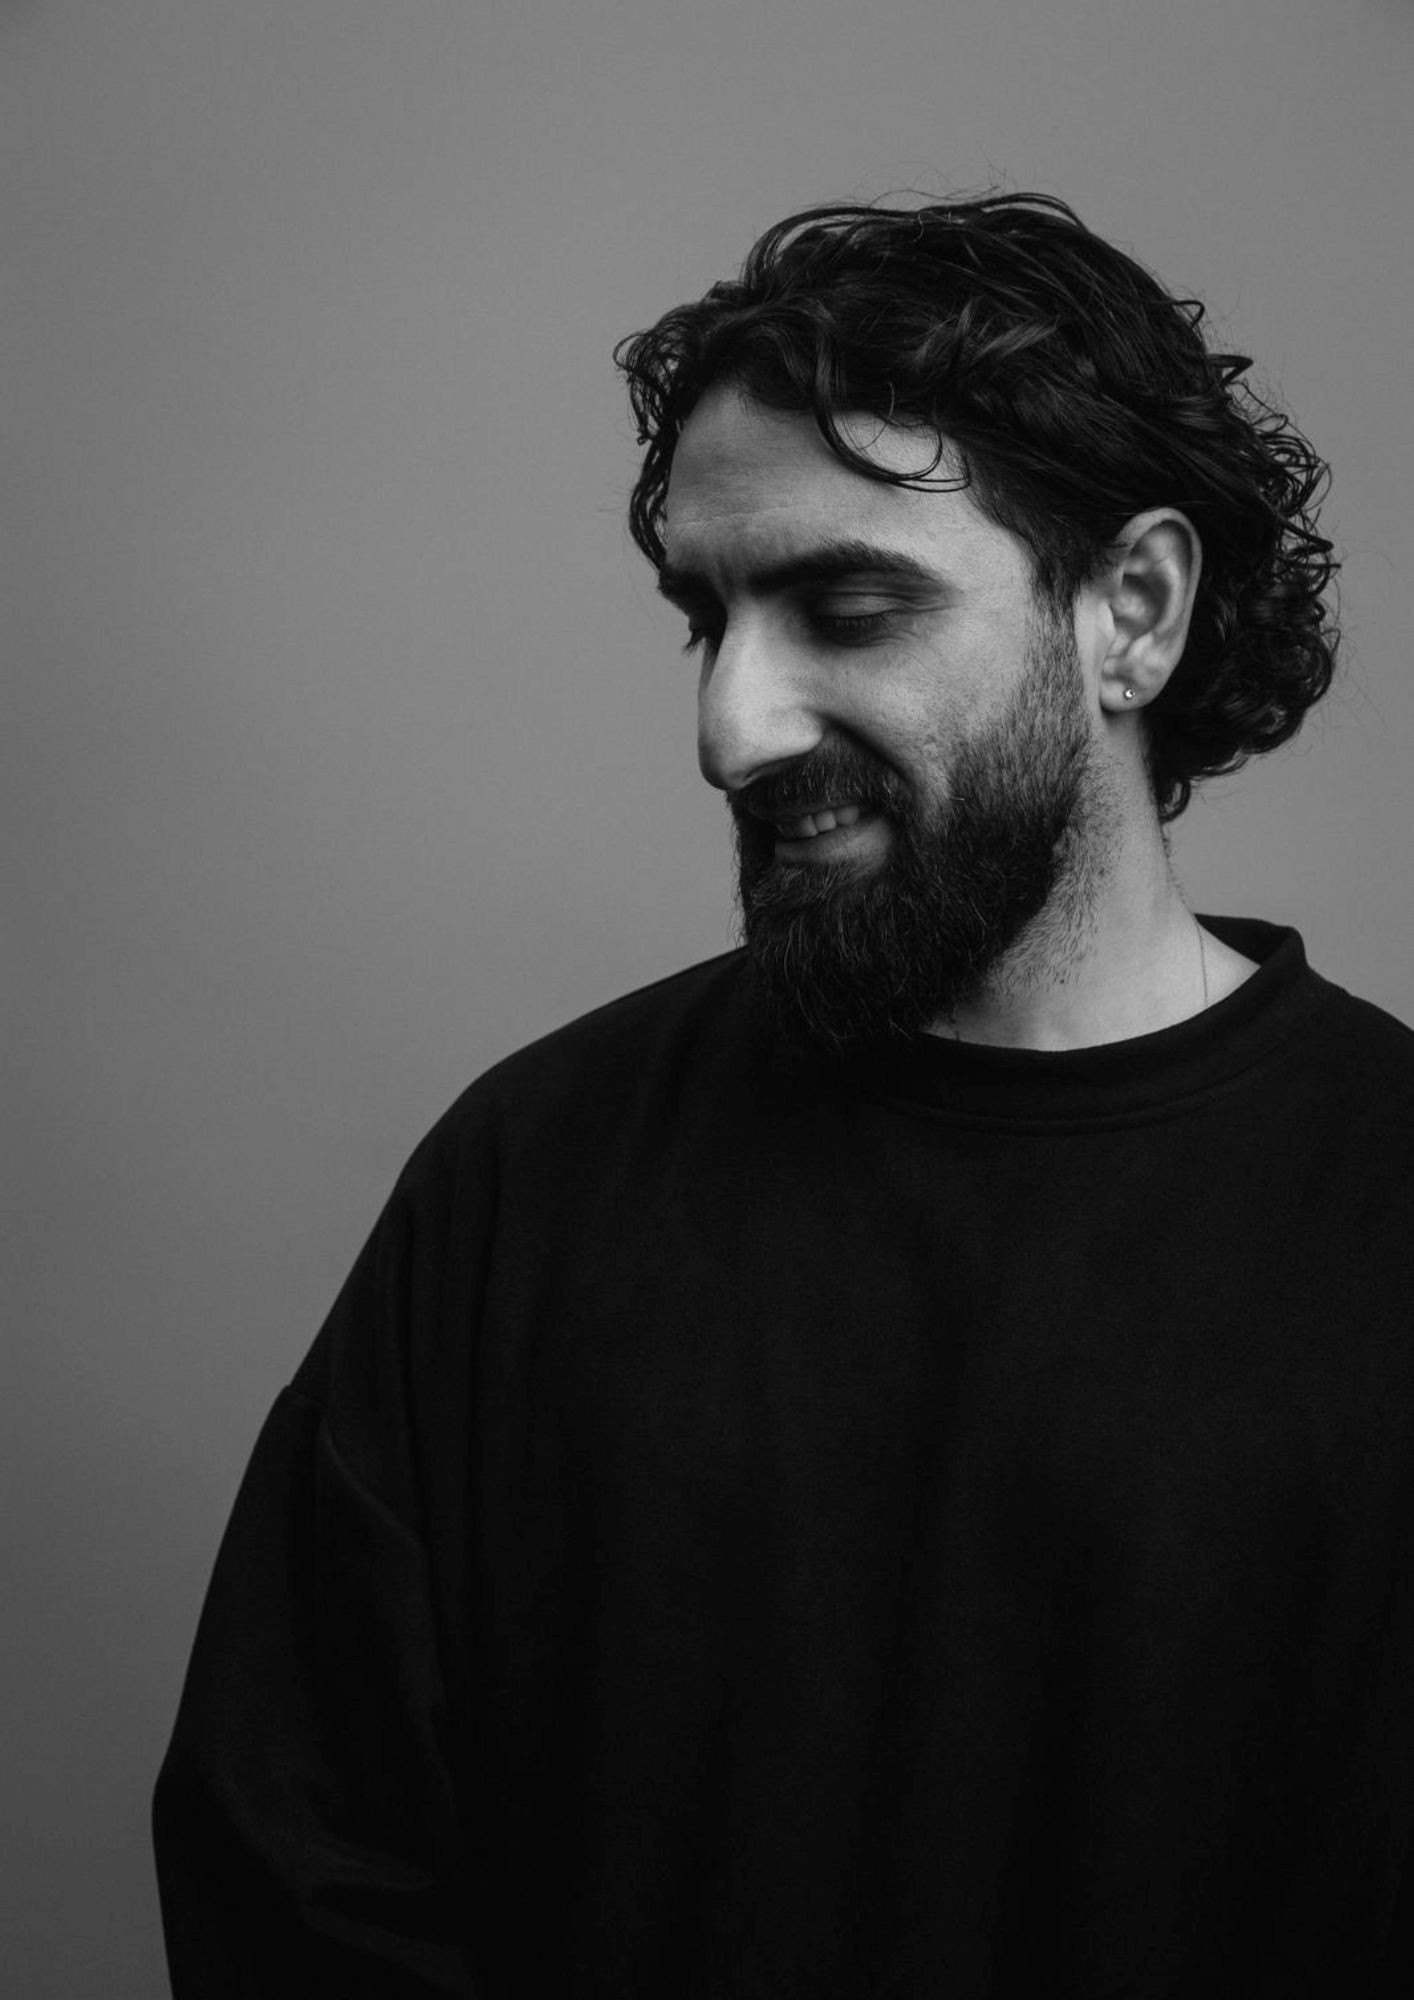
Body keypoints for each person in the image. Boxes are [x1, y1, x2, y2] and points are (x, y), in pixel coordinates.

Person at [153, 192, 1414, 1997]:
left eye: (846, 603)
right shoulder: (536, 1171)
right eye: (706, 616)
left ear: (1128, 611)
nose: (731, 727)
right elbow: (298, 1863)